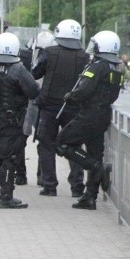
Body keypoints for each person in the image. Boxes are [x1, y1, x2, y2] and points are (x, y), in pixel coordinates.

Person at [56, 30, 122, 210]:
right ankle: (89, 198)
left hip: (88, 115)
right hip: (103, 116)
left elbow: (84, 90)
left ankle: (98, 169)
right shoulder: (116, 67)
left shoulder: (97, 66)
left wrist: (71, 96)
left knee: (62, 143)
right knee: (95, 153)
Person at [0, 33, 40, 209]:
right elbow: (34, 91)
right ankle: (6, 197)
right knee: (9, 159)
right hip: (11, 123)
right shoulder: (18, 69)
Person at [32, 19, 88, 198]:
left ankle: (49, 186)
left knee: (46, 145)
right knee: (74, 145)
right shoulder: (85, 56)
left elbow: (35, 73)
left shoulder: (49, 52)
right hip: (73, 107)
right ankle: (77, 186)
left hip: (49, 107)